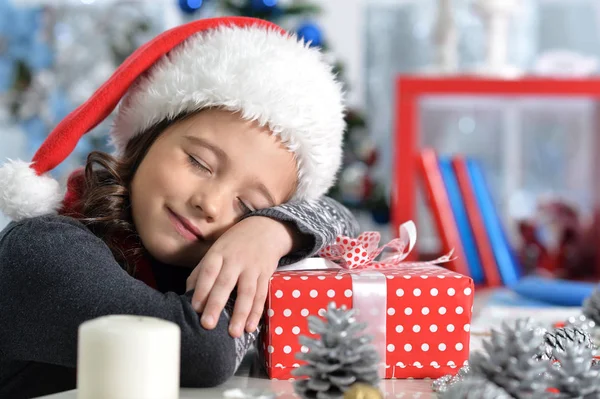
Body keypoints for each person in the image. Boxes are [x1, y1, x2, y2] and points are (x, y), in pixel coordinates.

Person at [0, 16, 359, 398]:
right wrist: (250, 263)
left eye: (248, 204)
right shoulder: (40, 250)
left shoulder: (186, 261)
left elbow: (345, 223)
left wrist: (273, 231)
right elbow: (202, 351)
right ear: (146, 137)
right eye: (199, 163)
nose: (210, 203)